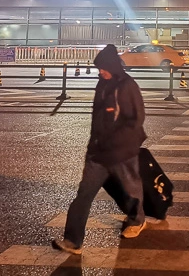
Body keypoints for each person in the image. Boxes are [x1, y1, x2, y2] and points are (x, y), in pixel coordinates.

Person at [52, 44, 147, 255]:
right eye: (98, 68)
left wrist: (120, 142)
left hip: (123, 151)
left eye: (102, 68)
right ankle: (73, 241)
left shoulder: (127, 86)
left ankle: (137, 220)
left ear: (112, 66)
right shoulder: (102, 84)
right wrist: (93, 143)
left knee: (130, 190)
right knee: (84, 195)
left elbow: (137, 118)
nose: (99, 71)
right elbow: (98, 118)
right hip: (98, 151)